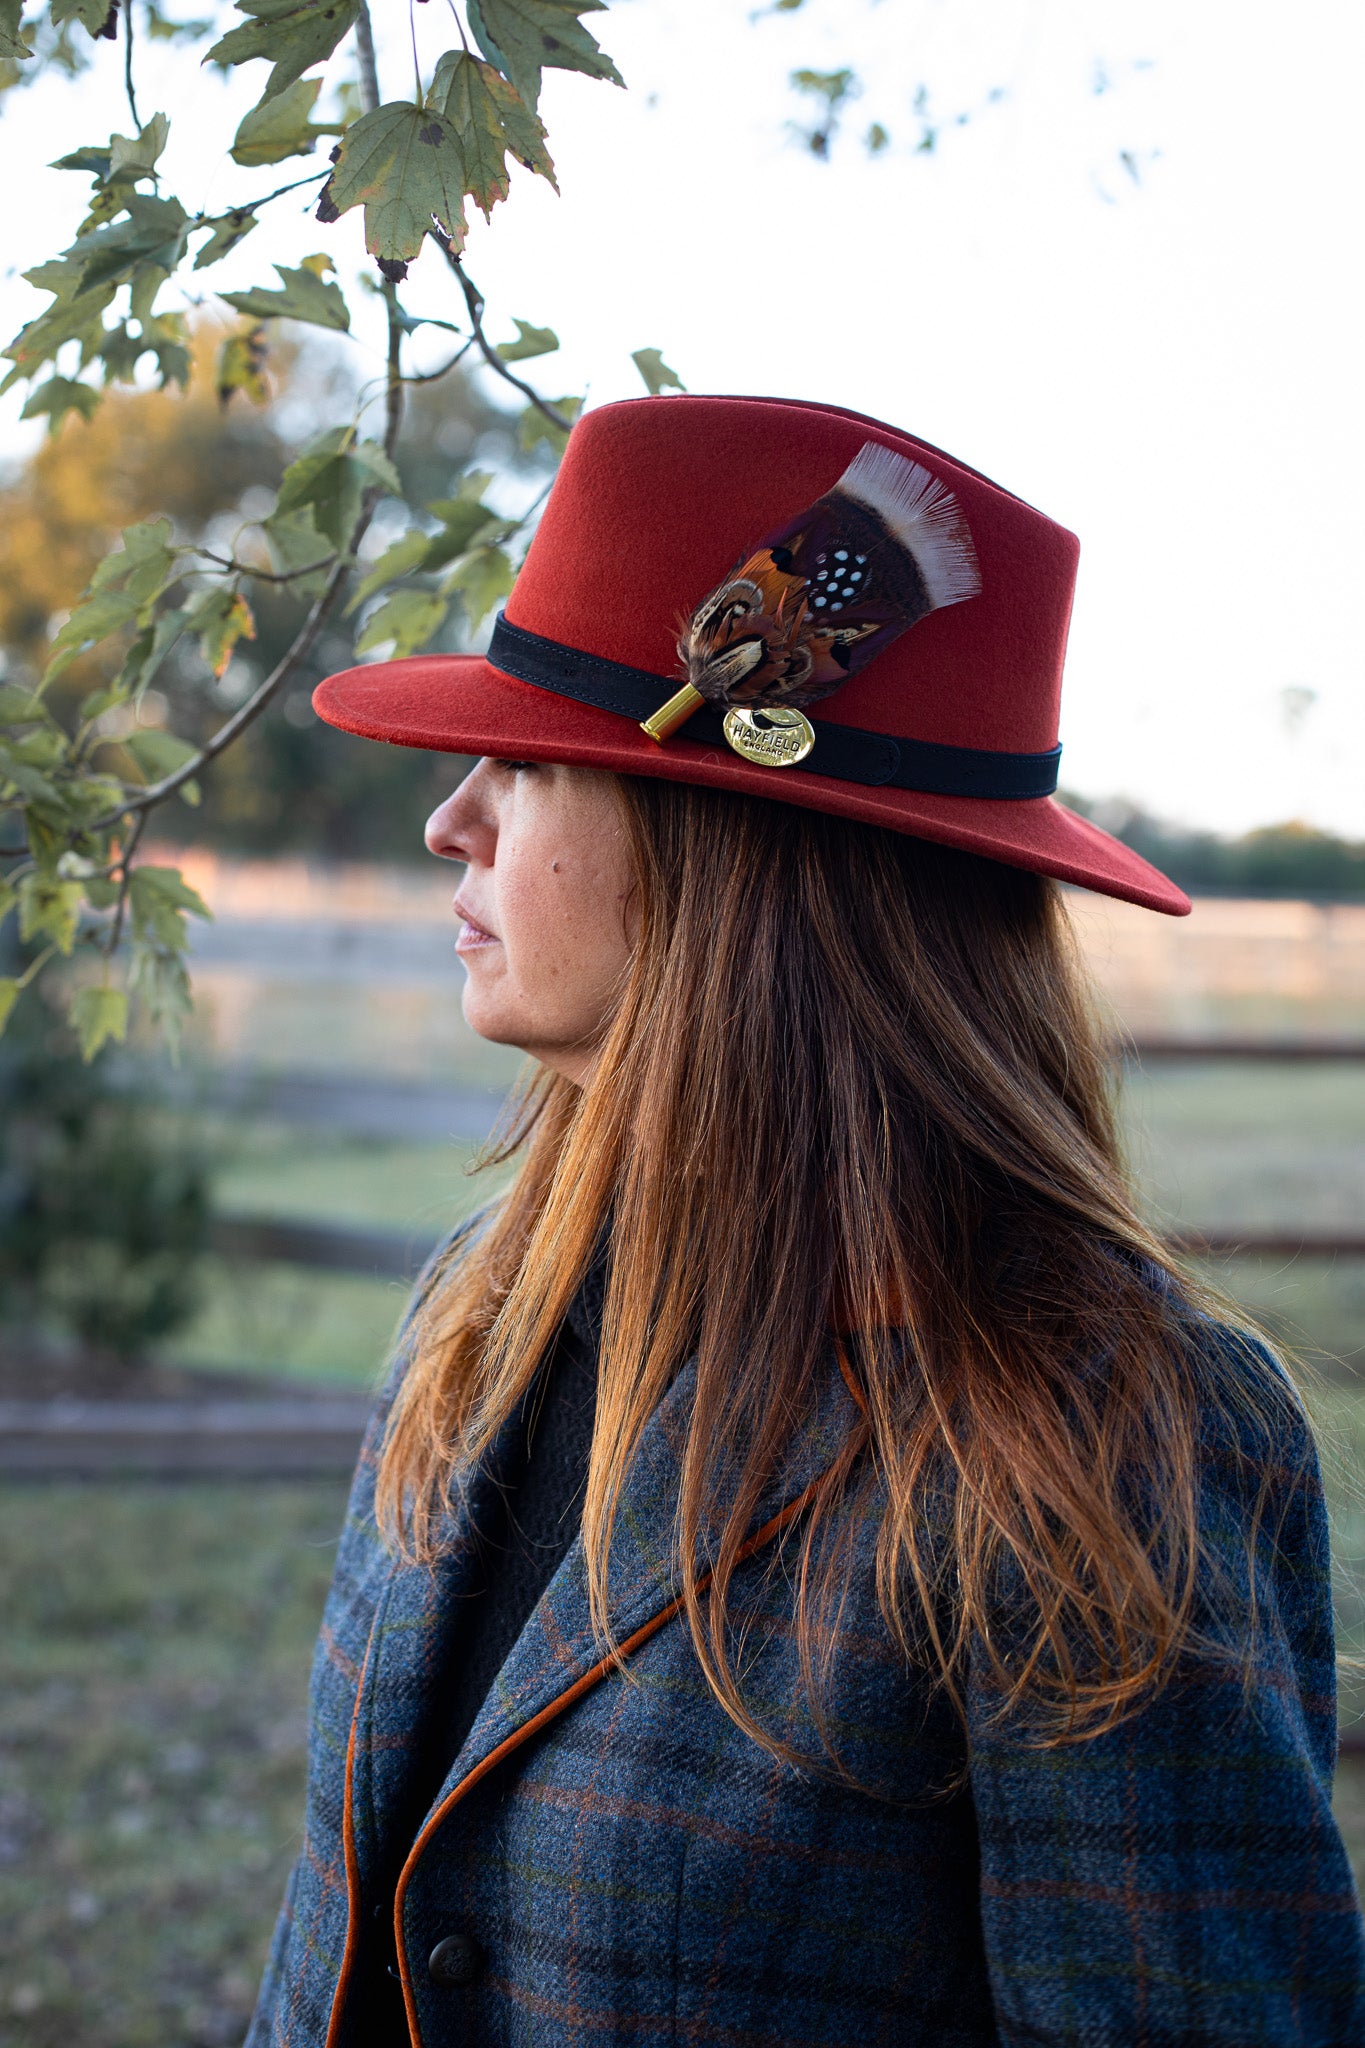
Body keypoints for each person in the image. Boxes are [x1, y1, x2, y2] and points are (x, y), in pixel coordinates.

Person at [247, 396, 1364, 2047]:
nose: (449, 821)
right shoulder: (475, 1312)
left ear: (731, 846)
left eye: (530, 763)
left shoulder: (1091, 1434)